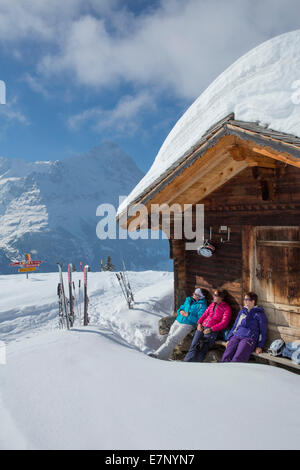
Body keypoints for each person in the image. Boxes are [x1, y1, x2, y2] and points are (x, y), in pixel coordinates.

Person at [148, 288, 207, 360]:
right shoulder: (188, 300)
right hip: (178, 320)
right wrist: (180, 311)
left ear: (200, 296)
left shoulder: (202, 306)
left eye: (195, 294)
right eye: (194, 293)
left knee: (173, 339)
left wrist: (188, 315)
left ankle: (157, 355)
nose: (193, 294)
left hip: (187, 324)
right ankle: (164, 358)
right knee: (169, 338)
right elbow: (180, 308)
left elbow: (199, 320)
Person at [184, 289, 232, 363]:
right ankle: (186, 363)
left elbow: (224, 323)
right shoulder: (212, 305)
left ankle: (198, 365)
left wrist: (211, 329)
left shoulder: (226, 308)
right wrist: (199, 323)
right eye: (214, 295)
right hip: (202, 327)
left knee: (203, 348)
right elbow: (204, 315)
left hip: (212, 331)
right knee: (193, 345)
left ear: (221, 297)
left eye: (215, 295)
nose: (214, 297)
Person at [221, 292, 268, 363]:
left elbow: (263, 331)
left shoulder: (259, 314)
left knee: (238, 357)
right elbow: (235, 326)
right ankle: (223, 370)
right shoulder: (242, 312)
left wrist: (260, 346)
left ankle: (236, 372)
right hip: (237, 336)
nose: (245, 301)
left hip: (249, 339)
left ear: (253, 301)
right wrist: (229, 338)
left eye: (247, 299)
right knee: (227, 354)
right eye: (244, 299)